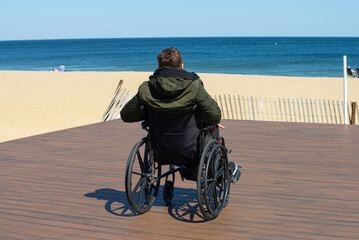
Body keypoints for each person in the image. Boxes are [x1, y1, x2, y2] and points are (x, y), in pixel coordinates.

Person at [120, 47, 240, 182]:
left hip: (160, 148)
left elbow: (127, 115)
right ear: (182, 66)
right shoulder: (193, 85)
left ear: (159, 66)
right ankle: (220, 169)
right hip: (191, 149)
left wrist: (150, 112)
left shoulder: (147, 88)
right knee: (213, 127)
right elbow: (214, 116)